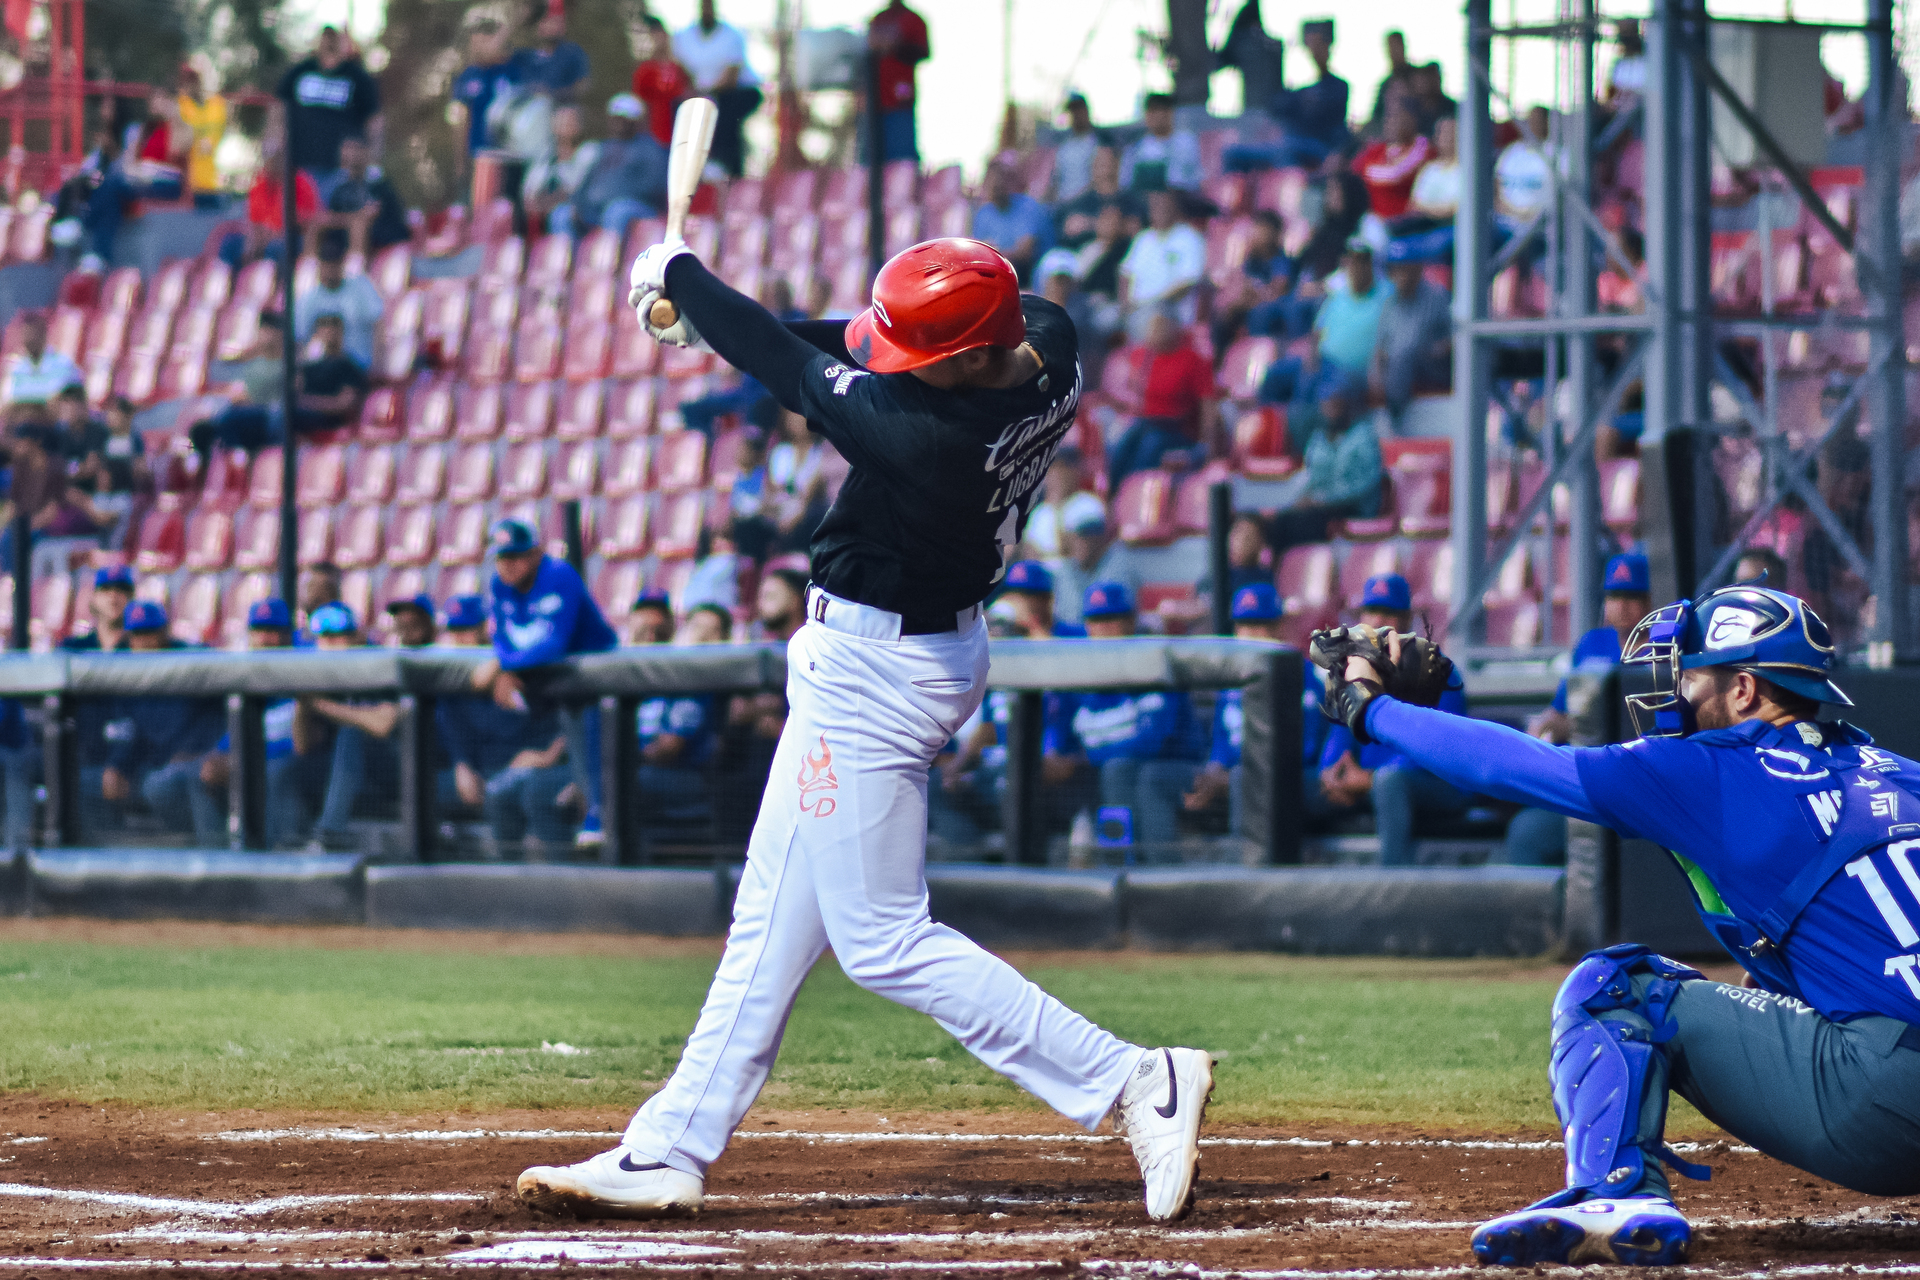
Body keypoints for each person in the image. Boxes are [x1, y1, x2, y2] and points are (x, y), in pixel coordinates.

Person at [521, 234, 1216, 1222]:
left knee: (881, 937)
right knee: (770, 918)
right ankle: (669, 1146)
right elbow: (840, 343)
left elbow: (790, 365)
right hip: (911, 648)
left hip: (876, 673)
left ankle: (1133, 1076)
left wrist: (681, 276)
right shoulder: (1048, 338)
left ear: (965, 360)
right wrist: (705, 326)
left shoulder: (922, 435)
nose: (900, 363)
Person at [1329, 585, 1920, 1263]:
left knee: (1616, 985)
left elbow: (1512, 766)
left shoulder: (1710, 766)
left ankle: (1618, 1193)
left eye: (1692, 675)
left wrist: (1375, 710)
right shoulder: (1902, 772)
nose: (1678, 692)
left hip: (1887, 1106)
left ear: (1744, 690)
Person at [472, 517, 619, 848]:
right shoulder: (500, 584)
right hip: (555, 685)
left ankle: (602, 822)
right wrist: (506, 667)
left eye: (516, 556)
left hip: (598, 681)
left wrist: (505, 666)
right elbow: (504, 639)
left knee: (596, 758)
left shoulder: (558, 575)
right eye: (502, 558)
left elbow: (554, 643)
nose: (508, 565)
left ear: (536, 553)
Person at [1308, 573, 1468, 864]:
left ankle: (1394, 881)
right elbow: (1339, 735)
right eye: (1371, 611)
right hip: (1370, 783)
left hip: (1435, 784)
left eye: (1388, 613)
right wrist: (1333, 769)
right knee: (1295, 783)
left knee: (1389, 782)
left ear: (1407, 618)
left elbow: (1436, 749)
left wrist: (1368, 779)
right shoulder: (1352, 671)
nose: (1378, 620)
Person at [1502, 554, 1651, 866]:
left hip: (1639, 781)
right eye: (1614, 596)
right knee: (1526, 830)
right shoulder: (1593, 644)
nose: (1622, 605)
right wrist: (1543, 729)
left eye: (1632, 596)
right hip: (1586, 779)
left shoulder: (1667, 648)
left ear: (1651, 600)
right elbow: (1558, 713)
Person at [1054, 582, 1207, 861]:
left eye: (1112, 619)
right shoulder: (1081, 674)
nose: (1103, 629)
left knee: (1124, 770)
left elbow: (1149, 743)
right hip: (1110, 772)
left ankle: (1148, 868)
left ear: (1130, 621)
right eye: (1095, 620)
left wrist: (1089, 755)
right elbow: (1062, 737)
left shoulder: (1155, 662)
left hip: (1178, 768)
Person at [437, 595, 573, 861]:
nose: (460, 638)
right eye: (455, 630)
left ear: (486, 628)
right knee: (427, 789)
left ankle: (545, 874)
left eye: (467, 629)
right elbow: (454, 733)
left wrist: (549, 756)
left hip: (533, 763)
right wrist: (461, 765)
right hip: (486, 769)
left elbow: (571, 719)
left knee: (509, 793)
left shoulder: (525, 663)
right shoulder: (453, 675)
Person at [1183, 583, 1325, 838]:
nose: (1250, 634)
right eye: (1244, 625)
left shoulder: (1302, 676)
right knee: (1165, 779)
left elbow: (1304, 749)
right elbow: (1221, 742)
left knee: (1242, 778)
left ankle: (1245, 859)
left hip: (1295, 778)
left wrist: (1235, 773)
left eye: (1259, 625)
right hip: (1239, 775)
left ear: (1279, 628)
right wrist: (1214, 770)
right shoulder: (1233, 681)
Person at [97, 601, 227, 847]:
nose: (144, 642)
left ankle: (215, 854)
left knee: (163, 786)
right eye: (138, 635)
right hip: (154, 765)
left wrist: (199, 749)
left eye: (150, 633)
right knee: (94, 784)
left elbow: (222, 714)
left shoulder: (194, 661)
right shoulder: (125, 671)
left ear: (165, 632)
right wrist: (117, 766)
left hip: (199, 759)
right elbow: (125, 730)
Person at [295, 603, 404, 850]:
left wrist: (320, 705)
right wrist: (303, 703)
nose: (330, 645)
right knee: (286, 767)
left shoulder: (379, 664)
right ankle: (277, 842)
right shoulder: (318, 674)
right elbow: (302, 746)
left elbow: (383, 724)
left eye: (338, 637)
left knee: (351, 732)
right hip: (352, 777)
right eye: (324, 638)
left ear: (357, 637)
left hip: (399, 770)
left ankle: (329, 833)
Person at [196, 312, 366, 452]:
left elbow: (345, 404)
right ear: (317, 333)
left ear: (341, 332)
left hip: (318, 417)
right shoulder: (308, 365)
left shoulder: (347, 365)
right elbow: (294, 389)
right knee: (219, 424)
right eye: (325, 329)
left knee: (236, 421)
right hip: (289, 411)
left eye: (334, 329)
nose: (329, 334)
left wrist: (306, 402)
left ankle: (238, 460)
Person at [1258, 242, 1393, 405]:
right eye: (1353, 261)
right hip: (1324, 361)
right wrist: (1312, 358)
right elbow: (1318, 330)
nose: (1358, 267)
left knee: (1316, 393)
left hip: (1352, 370)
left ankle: (1301, 416)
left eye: (1363, 261)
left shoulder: (1386, 294)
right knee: (1274, 374)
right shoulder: (1340, 292)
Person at [1265, 369, 1383, 555]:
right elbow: (1311, 476)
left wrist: (1322, 501)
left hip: (1354, 508)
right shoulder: (1319, 439)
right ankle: (1282, 570)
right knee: (1281, 521)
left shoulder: (1364, 436)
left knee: (1307, 523)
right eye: (1326, 403)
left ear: (1347, 404)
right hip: (1322, 507)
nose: (1330, 409)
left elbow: (1363, 485)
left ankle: (1312, 566)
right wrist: (1301, 499)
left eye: (1336, 403)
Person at [1106, 308, 1216, 493]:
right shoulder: (1144, 356)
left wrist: (1207, 444)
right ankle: (1115, 494)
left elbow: (1207, 404)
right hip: (1147, 421)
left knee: (1150, 447)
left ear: (1175, 327)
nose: (1155, 331)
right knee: (1122, 445)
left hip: (1178, 427)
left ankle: (1136, 493)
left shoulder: (1192, 360)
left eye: (1160, 326)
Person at [275, 26, 383, 200]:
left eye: (334, 39)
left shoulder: (358, 78)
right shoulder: (300, 72)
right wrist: (275, 142)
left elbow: (374, 120)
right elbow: (278, 108)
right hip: (299, 166)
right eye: (325, 38)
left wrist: (372, 157)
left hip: (341, 170)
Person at [1227, 18, 1348, 171]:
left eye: (1316, 44)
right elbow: (1277, 107)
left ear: (1327, 45)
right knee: (1234, 154)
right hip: (1286, 142)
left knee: (1285, 152)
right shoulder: (1299, 88)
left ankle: (1288, 185)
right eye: (1309, 44)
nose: (1312, 50)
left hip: (1318, 148)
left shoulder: (1337, 87)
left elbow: (1318, 116)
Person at [554, 95, 667, 239]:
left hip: (636, 207)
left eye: (623, 119)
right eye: (615, 118)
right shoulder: (603, 148)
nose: (617, 122)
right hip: (598, 208)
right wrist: (577, 204)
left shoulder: (649, 149)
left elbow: (653, 187)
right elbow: (586, 183)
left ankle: (610, 254)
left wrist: (611, 196)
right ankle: (567, 254)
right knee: (562, 213)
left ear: (636, 121)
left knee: (616, 211)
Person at [674, 0, 762, 178]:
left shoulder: (732, 35)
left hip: (738, 91)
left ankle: (728, 167)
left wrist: (707, 93)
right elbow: (681, 71)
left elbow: (731, 76)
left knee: (725, 114)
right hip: (702, 93)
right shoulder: (683, 37)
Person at [1369, 254, 1452, 422]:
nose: (1400, 276)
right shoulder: (1389, 304)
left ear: (1417, 270)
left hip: (1430, 364)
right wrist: (1375, 377)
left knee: (1405, 353)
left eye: (1405, 270)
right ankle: (1383, 417)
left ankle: (1395, 415)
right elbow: (1380, 348)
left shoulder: (1436, 297)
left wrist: (1436, 349)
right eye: (1396, 271)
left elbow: (1453, 339)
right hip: (1398, 370)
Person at [1117, 189, 1205, 341]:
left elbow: (1187, 282)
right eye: (1155, 207)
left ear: (1175, 209)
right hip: (1136, 307)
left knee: (1146, 321)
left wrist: (1153, 303)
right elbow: (1126, 274)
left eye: (1164, 206)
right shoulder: (1143, 238)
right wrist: (1125, 304)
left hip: (1169, 309)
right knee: (1101, 321)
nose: (1159, 210)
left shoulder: (1189, 238)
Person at [294, 230, 384, 368]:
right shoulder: (309, 298)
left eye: (334, 264)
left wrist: (376, 365)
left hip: (358, 366)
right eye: (326, 265)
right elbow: (299, 338)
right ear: (320, 266)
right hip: (320, 368)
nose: (330, 270)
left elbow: (378, 324)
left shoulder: (361, 287)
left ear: (342, 264)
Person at [1212, 210, 1294, 352]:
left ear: (1274, 234)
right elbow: (1240, 283)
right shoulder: (1250, 260)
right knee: (1223, 310)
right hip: (1246, 304)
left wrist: (1254, 295)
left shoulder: (1281, 262)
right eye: (1256, 230)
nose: (1256, 235)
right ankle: (1222, 357)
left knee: (1258, 313)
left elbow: (1279, 289)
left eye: (1262, 231)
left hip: (1267, 309)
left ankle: (1256, 353)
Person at [318, 135, 409, 258]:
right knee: (318, 225)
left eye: (356, 149)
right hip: (344, 235)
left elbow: (373, 214)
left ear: (366, 153)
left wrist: (348, 219)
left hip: (381, 234)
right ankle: (309, 264)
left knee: (359, 224)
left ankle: (356, 265)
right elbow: (332, 215)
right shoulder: (340, 188)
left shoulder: (378, 184)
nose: (351, 155)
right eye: (347, 150)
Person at [970, 160, 1054, 286]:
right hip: (1003, 273)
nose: (994, 189)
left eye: (998, 184)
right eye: (989, 184)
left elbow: (1025, 253)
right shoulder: (983, 214)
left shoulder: (1028, 207)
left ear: (1008, 183)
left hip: (1037, 271)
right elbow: (979, 252)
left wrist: (996, 253)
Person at [866, 0, 929, 163]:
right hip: (875, 100)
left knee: (902, 156)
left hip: (901, 98)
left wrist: (895, 46)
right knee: (871, 157)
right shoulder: (878, 19)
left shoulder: (914, 19)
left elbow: (924, 51)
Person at [522, 105, 599, 234]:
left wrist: (551, 200)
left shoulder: (589, 151)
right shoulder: (546, 156)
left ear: (580, 126)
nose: (566, 126)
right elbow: (530, 192)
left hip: (582, 214)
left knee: (562, 213)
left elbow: (575, 189)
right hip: (544, 213)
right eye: (562, 122)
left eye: (571, 122)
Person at [1350, 101, 1431, 222]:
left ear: (1413, 120)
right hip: (1374, 219)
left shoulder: (1425, 150)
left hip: (1408, 222)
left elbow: (1398, 176)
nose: (1392, 122)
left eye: (1398, 117)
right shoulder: (1375, 151)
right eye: (1389, 117)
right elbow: (1355, 175)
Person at [1047, 493, 1119, 626]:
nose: (1086, 542)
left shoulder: (1117, 564)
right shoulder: (1059, 572)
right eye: (1081, 535)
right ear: (1069, 537)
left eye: (1093, 533)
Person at [1053, 146, 1144, 251]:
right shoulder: (1077, 203)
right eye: (1100, 163)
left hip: (1124, 257)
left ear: (1117, 164)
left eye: (1108, 163)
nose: (1105, 169)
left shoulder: (1132, 202)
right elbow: (1070, 227)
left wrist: (1090, 224)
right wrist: (1105, 225)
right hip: (1084, 258)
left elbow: (1135, 228)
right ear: (1092, 166)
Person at [452, 20, 516, 165]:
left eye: (483, 42)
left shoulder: (512, 71)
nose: (478, 48)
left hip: (510, 154)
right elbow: (459, 120)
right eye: (474, 43)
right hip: (478, 154)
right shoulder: (465, 77)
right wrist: (460, 160)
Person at [1019, 448, 1099, 562]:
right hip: (1041, 570)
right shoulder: (1039, 512)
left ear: (1074, 471)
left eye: (1061, 469)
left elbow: (1076, 554)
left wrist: (1058, 508)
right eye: (1051, 470)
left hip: (1070, 570)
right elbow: (1029, 554)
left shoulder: (1088, 504)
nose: (1056, 476)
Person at [629, 17, 692, 149]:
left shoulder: (679, 69)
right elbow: (639, 104)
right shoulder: (644, 70)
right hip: (653, 138)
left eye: (660, 34)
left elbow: (687, 95)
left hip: (678, 136)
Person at [1119, 93, 1201, 195]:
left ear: (1170, 113)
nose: (1156, 116)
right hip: (1144, 200)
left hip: (1182, 198)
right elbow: (1125, 184)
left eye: (1160, 110)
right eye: (1151, 111)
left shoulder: (1187, 142)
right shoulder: (1136, 148)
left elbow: (1195, 180)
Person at [509, 2, 591, 103]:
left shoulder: (572, 53)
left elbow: (582, 86)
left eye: (558, 22)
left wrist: (551, 94)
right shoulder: (523, 55)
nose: (553, 26)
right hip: (523, 106)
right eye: (548, 21)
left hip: (557, 107)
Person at [176, 64, 229, 209]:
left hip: (217, 185)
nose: (190, 85)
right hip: (192, 187)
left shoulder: (217, 106)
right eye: (187, 81)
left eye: (194, 80)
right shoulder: (183, 105)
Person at [6, 310, 83, 407]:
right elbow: (12, 400)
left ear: (43, 335)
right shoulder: (17, 368)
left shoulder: (63, 365)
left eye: (33, 335)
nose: (29, 340)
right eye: (26, 335)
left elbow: (57, 399)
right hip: (24, 414)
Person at [997, 560, 1086, 639]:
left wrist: (1036, 632)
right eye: (1013, 592)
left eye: (1025, 594)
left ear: (1046, 599)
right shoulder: (1002, 630)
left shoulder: (1074, 634)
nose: (1018, 601)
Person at [1051, 94, 1107, 204]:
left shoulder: (1100, 141)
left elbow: (1101, 179)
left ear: (1086, 110)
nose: (1076, 115)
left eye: (1079, 110)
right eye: (1073, 111)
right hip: (1062, 204)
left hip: (1090, 203)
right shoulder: (1064, 146)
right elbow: (1056, 179)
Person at [1364, 30, 1414, 139]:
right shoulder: (1385, 85)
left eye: (1395, 46)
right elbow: (1376, 117)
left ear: (1403, 46)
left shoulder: (1416, 78)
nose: (1392, 51)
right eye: (1389, 47)